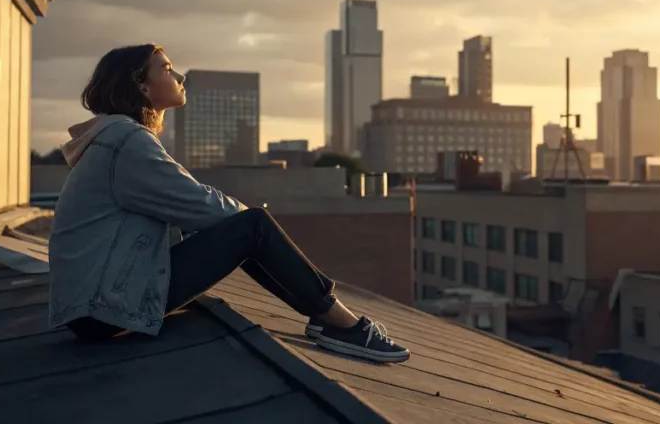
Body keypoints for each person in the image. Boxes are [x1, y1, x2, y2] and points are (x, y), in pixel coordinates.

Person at [47, 43, 409, 364]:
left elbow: (185, 206)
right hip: (104, 307)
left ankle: (324, 313)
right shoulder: (128, 141)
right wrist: (251, 228)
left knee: (247, 225)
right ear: (142, 85)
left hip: (96, 301)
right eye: (167, 69)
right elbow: (204, 207)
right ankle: (338, 321)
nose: (180, 76)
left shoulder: (115, 137)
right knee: (253, 226)